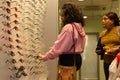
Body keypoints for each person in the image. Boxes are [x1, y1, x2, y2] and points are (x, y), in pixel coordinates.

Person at [38, 2, 86, 80]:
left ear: (68, 15)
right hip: (76, 58)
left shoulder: (68, 27)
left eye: (63, 15)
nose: (61, 17)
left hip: (67, 60)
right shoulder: (79, 27)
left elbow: (59, 48)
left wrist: (45, 57)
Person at [95, 12, 120, 80]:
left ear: (112, 21)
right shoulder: (102, 33)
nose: (102, 21)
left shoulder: (118, 29)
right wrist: (103, 49)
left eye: (105, 19)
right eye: (102, 19)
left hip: (118, 61)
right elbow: (98, 50)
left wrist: (117, 49)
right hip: (107, 62)